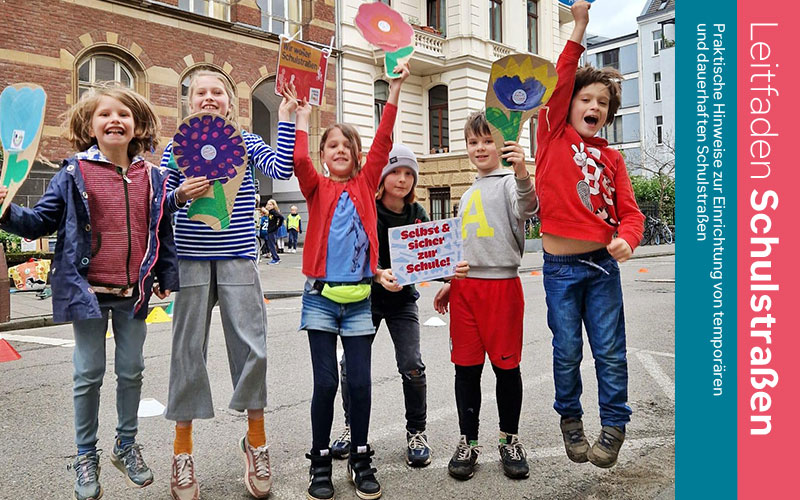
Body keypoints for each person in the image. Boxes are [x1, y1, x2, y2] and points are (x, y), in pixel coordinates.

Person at [0, 83, 179, 500]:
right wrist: (6, 211)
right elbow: (40, 222)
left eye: (123, 114)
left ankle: (125, 445)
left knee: (132, 370)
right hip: (88, 293)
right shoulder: (73, 173)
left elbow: (161, 230)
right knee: (88, 374)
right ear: (90, 125)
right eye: (104, 114)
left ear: (137, 126)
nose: (114, 119)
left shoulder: (152, 177)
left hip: (133, 292)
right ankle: (85, 455)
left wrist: (166, 277)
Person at [161, 70, 298, 500]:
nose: (208, 98)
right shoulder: (175, 149)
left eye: (216, 92)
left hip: (239, 258)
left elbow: (282, 167)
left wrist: (290, 118)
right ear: (189, 102)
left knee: (252, 347)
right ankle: (182, 451)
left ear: (229, 101)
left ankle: (255, 439)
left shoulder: (246, 142)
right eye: (199, 92)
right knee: (187, 353)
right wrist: (180, 194)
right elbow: (159, 204)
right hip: (190, 261)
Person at [535, 0, 645, 469]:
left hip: (601, 268)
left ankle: (615, 423)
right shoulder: (552, 135)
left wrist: (628, 239)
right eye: (587, 99)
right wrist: (579, 25)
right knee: (566, 352)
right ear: (569, 106)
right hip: (560, 270)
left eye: (602, 103)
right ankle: (571, 421)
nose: (594, 106)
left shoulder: (614, 160)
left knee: (610, 352)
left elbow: (632, 215)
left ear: (609, 113)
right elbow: (562, 78)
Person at [293, 62, 409, 500]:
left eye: (348, 145)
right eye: (333, 145)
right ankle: (320, 460)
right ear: (325, 155)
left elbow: (383, 141)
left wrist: (394, 89)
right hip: (320, 299)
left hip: (361, 300)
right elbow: (298, 159)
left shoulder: (364, 183)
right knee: (326, 383)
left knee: (358, 382)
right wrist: (302, 119)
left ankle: (361, 456)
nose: (340, 149)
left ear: (358, 156)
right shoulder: (316, 188)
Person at [331, 144, 469, 468]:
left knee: (412, 365)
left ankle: (417, 432)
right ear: (382, 175)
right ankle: (352, 428)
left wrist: (449, 274)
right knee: (351, 367)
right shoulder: (366, 207)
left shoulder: (417, 214)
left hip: (402, 301)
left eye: (409, 173)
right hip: (366, 298)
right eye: (395, 171)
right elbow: (353, 254)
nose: (402, 179)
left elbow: (428, 259)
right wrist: (378, 275)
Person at [433, 112, 539, 481]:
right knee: (466, 368)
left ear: (501, 144)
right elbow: (464, 245)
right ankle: (469, 440)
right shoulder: (468, 192)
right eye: (473, 141)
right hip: (465, 291)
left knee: (506, 368)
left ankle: (509, 438)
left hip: (501, 288)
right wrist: (450, 280)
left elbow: (529, 208)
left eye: (487, 140)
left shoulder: (511, 182)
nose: (480, 148)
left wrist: (523, 171)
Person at [265, 199, 284, 264]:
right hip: (270, 230)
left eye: (270, 204)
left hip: (272, 230)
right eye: (268, 204)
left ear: (273, 205)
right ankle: (276, 257)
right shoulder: (270, 212)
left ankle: (275, 259)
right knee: (271, 244)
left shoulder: (273, 212)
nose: (269, 206)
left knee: (272, 245)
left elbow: (281, 217)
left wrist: (278, 226)